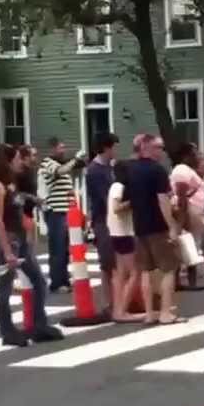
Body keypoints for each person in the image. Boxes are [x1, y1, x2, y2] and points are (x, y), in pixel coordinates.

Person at [0, 144, 64, 346]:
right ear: (8, 161)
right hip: (9, 241)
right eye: (17, 159)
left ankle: (39, 325)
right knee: (5, 287)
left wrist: (34, 200)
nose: (20, 162)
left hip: (20, 240)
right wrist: (7, 251)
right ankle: (7, 331)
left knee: (39, 281)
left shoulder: (10, 185)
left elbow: (19, 202)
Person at [127, 134, 184, 324]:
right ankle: (166, 313)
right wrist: (172, 226)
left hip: (139, 225)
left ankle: (150, 313)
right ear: (146, 147)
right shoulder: (157, 170)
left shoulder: (132, 170)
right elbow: (163, 200)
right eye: (158, 147)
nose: (161, 151)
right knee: (169, 269)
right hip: (158, 226)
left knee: (146, 271)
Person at [39, 138, 82, 293]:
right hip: (55, 212)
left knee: (64, 249)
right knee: (57, 248)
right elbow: (59, 171)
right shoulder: (47, 163)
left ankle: (64, 279)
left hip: (65, 211)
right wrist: (75, 160)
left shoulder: (60, 165)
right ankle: (57, 283)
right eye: (60, 148)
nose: (63, 151)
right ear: (52, 149)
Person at [171, 142, 204, 288]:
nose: (197, 156)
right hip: (188, 214)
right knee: (188, 246)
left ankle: (185, 282)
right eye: (194, 153)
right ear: (186, 156)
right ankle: (189, 282)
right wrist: (182, 221)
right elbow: (182, 196)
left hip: (193, 213)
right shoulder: (181, 170)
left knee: (190, 246)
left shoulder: (188, 170)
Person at [107, 160, 145, 323]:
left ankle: (118, 309)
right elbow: (117, 208)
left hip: (116, 232)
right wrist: (135, 201)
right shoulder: (119, 187)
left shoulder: (115, 186)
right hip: (123, 233)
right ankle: (121, 310)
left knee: (121, 274)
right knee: (135, 272)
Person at [86, 132, 119, 314]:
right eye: (114, 146)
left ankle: (118, 300)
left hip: (114, 219)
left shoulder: (109, 168)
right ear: (106, 147)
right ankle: (109, 303)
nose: (116, 150)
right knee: (107, 263)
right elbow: (105, 197)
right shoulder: (95, 170)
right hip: (103, 220)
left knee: (117, 262)